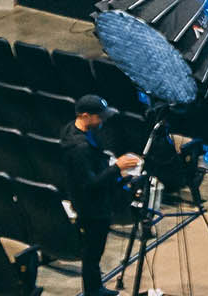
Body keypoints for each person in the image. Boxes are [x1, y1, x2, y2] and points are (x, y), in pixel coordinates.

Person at [60, 95, 143, 296]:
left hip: (91, 201)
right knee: (92, 253)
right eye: (99, 117)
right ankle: (93, 291)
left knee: (93, 252)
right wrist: (117, 167)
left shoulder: (72, 130)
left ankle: (96, 288)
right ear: (85, 116)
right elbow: (90, 184)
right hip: (92, 207)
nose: (102, 121)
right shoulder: (79, 148)